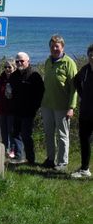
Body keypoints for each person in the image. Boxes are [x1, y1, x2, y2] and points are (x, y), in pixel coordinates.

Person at [41, 35, 77, 171]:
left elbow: (74, 88)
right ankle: (51, 159)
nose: (54, 49)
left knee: (62, 135)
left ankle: (62, 163)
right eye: (52, 46)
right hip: (47, 104)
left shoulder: (69, 63)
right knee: (49, 133)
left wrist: (71, 107)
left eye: (57, 46)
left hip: (62, 106)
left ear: (62, 47)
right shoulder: (47, 61)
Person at [9, 52, 44, 164]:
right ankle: (19, 156)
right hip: (16, 110)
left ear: (28, 61)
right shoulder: (14, 76)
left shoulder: (34, 75)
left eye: (22, 61)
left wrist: (34, 107)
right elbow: (10, 91)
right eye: (17, 61)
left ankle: (30, 159)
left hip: (28, 111)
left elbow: (41, 93)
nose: (19, 63)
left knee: (26, 135)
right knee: (15, 134)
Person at [71, 44, 93, 178]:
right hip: (86, 112)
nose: (92, 56)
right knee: (84, 141)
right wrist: (82, 94)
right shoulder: (85, 70)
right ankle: (85, 169)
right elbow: (76, 81)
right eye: (90, 54)